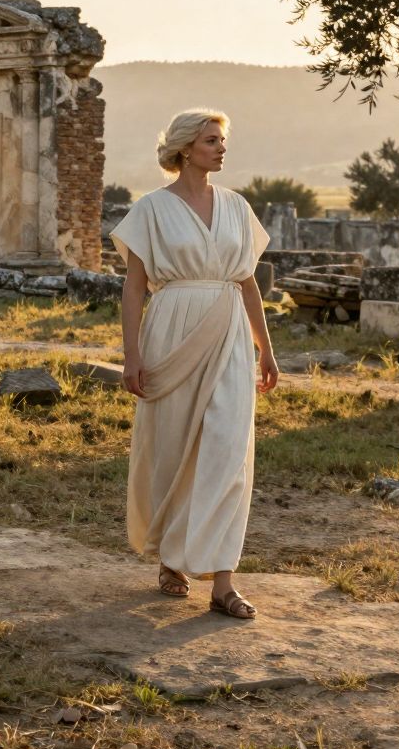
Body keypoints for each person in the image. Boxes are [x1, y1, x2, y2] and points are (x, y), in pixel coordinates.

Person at [110, 108, 280, 620]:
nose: (221, 148)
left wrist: (266, 348)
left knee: (228, 449)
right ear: (186, 148)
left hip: (228, 333)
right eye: (212, 140)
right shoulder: (151, 210)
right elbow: (134, 287)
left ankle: (223, 581)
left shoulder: (236, 206)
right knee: (173, 446)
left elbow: (247, 281)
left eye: (223, 140)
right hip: (172, 328)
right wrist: (132, 354)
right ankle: (170, 557)